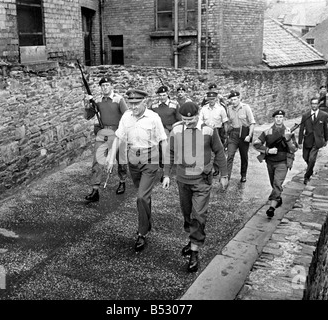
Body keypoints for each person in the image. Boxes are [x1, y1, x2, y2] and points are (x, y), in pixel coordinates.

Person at [162, 101, 229, 273]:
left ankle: (194, 251)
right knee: (187, 213)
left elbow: (219, 151)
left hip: (202, 180)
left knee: (199, 214)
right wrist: (167, 174)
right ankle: (193, 238)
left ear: (198, 115)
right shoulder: (176, 129)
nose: (188, 122)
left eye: (191, 119)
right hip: (183, 179)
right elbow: (170, 152)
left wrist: (224, 174)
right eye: (184, 119)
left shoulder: (208, 130)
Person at [107, 89, 167, 252]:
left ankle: (142, 233)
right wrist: (112, 158)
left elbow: (163, 141)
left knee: (141, 197)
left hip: (150, 160)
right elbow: (118, 137)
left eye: (136, 104)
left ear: (145, 103)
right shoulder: (126, 116)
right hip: (133, 160)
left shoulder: (154, 118)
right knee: (144, 197)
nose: (132, 107)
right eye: (130, 103)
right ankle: (146, 220)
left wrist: (166, 168)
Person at [83, 77, 128, 203]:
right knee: (97, 160)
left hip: (118, 131)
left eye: (107, 85)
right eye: (103, 86)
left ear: (111, 86)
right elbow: (88, 116)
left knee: (121, 159)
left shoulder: (119, 99)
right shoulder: (97, 100)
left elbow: (127, 116)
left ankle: (122, 181)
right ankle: (95, 190)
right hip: (103, 132)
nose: (105, 88)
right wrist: (88, 104)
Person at [253, 110, 298, 218]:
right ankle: (278, 198)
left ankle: (271, 208)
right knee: (274, 184)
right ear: (274, 118)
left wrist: (287, 139)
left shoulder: (288, 131)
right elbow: (256, 144)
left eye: (281, 117)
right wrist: (268, 150)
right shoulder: (267, 132)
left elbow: (294, 148)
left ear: (283, 119)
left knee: (277, 183)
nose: (279, 119)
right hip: (270, 162)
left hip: (283, 162)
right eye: (277, 117)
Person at [226, 90, 256, 182]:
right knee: (230, 155)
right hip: (233, 135)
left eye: (235, 99)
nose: (233, 101)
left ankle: (243, 175)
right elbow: (228, 122)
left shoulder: (246, 108)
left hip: (244, 134)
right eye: (232, 100)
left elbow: (252, 123)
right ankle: (227, 177)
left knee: (244, 156)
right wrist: (227, 133)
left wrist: (249, 136)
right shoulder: (229, 109)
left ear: (239, 99)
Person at [298, 97, 328, 185]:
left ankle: (307, 176)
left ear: (318, 104)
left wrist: (326, 139)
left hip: (317, 141)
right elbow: (301, 129)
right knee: (305, 157)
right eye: (313, 104)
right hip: (307, 140)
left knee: (312, 159)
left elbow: (325, 128)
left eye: (316, 103)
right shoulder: (305, 115)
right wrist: (300, 141)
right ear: (310, 104)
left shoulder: (323, 115)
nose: (314, 105)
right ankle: (310, 170)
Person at [199, 91, 229, 175]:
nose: (211, 100)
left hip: (218, 131)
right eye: (209, 99)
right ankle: (206, 168)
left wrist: (226, 134)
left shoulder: (221, 109)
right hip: (206, 131)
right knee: (207, 149)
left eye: (213, 99)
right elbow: (200, 120)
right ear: (207, 99)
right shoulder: (204, 108)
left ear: (216, 99)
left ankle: (216, 168)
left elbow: (225, 122)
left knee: (218, 150)